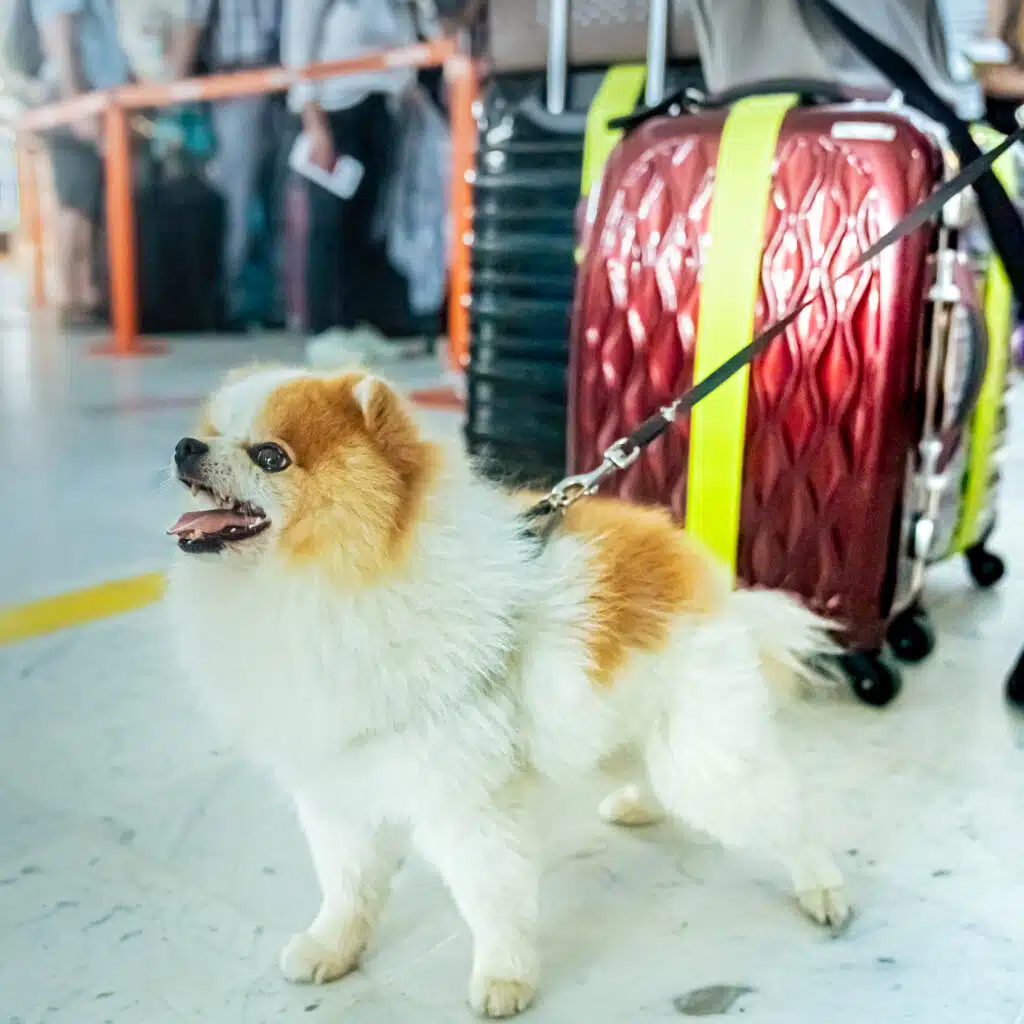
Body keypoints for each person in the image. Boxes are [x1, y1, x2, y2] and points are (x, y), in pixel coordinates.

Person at [282, 0, 420, 365]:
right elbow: (298, 41)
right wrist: (313, 121)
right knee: (330, 223)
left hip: (381, 103)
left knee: (365, 223)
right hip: (335, 107)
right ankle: (325, 329)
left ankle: (355, 321)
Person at [170, 0, 283, 329]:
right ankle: (227, 302)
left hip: (279, 80)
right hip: (237, 81)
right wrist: (173, 96)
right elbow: (194, 19)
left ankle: (269, 301)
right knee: (237, 197)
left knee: (270, 199)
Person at [32, 0, 131, 327]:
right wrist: (75, 99)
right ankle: (71, 296)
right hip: (75, 98)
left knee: (86, 201)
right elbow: (59, 29)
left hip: (91, 97)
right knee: (74, 202)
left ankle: (85, 294)